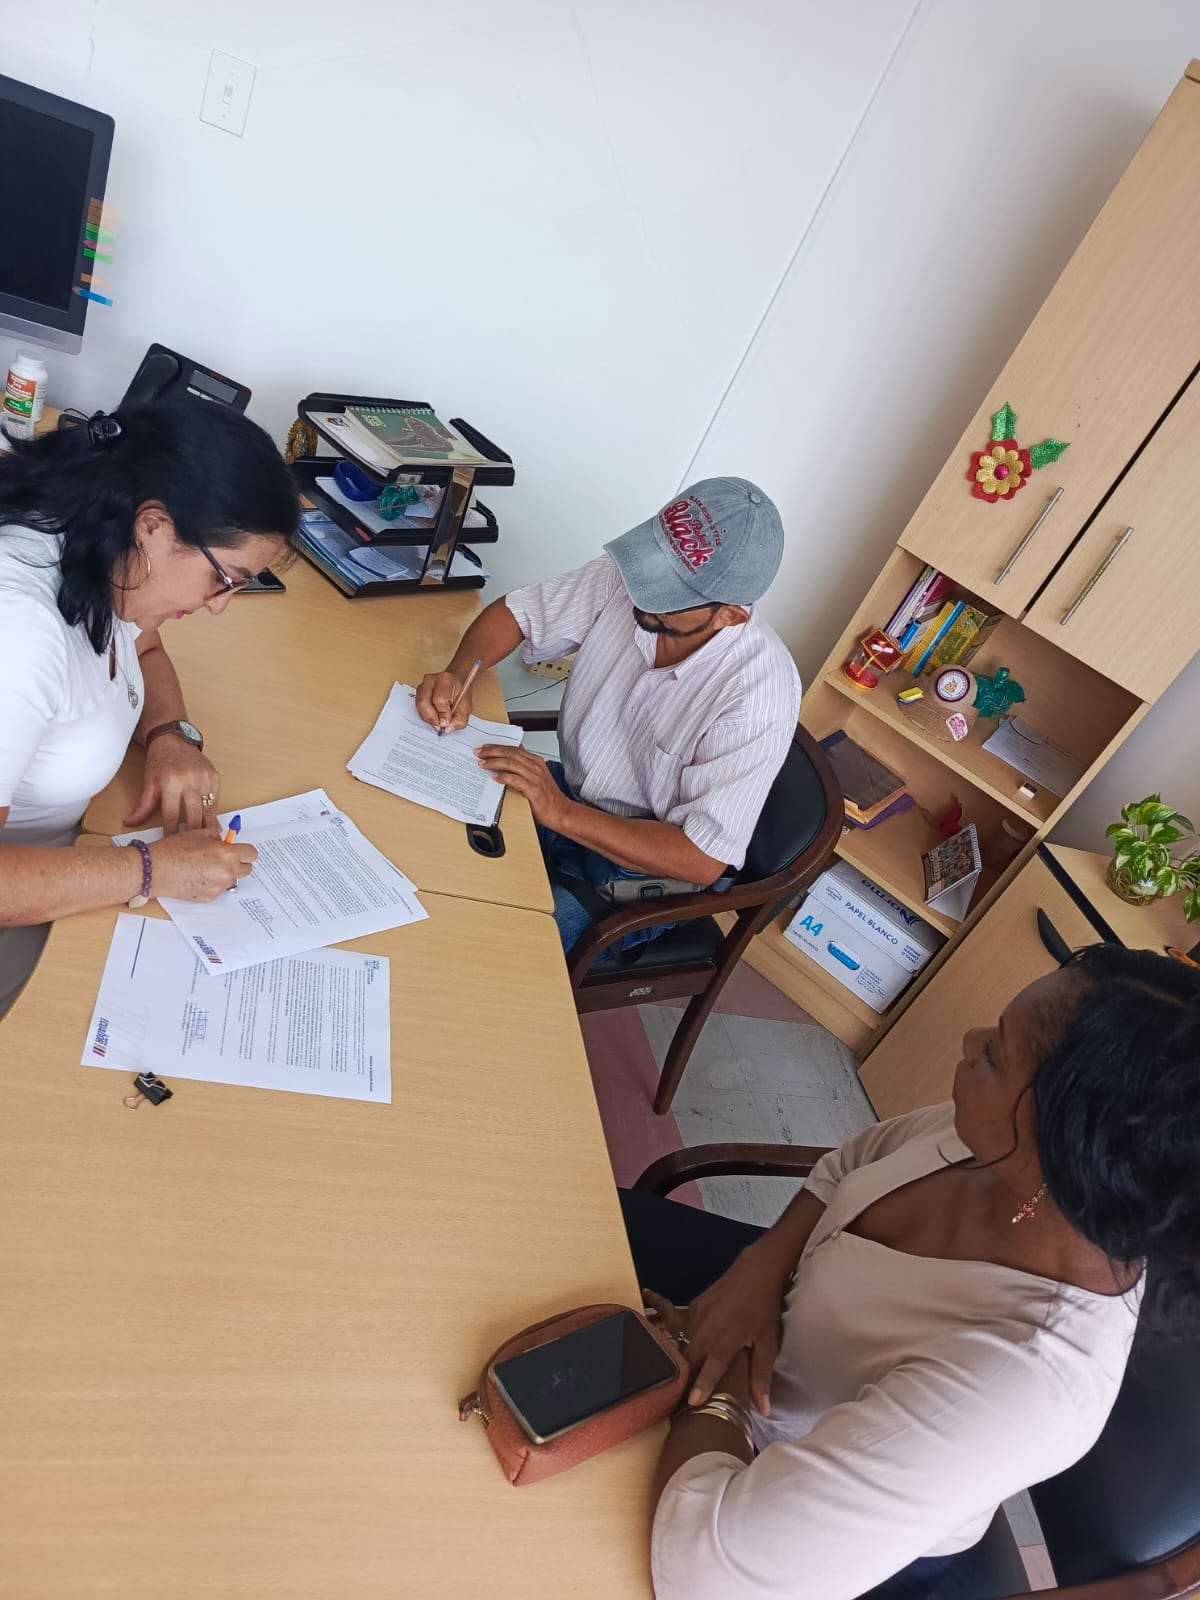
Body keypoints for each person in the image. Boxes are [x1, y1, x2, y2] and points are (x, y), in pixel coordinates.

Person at [622, 946, 1200, 1599]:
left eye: (994, 1054)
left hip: (773, 1471)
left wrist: (721, 1377)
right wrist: (760, 1266)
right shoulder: (997, 1145)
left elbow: (706, 1573)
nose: (970, 1042)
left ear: (1064, 1152)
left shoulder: (1021, 1382)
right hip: (774, 1307)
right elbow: (852, 1161)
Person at [0, 400, 299, 1017]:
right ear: (155, 526)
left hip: (60, 860)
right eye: (224, 578)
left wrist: (169, 735)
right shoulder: (19, 632)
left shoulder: (95, 540)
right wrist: (149, 871)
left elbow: (144, 644)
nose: (219, 605)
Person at [415, 478, 802, 953]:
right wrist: (461, 673)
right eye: (652, 570)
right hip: (568, 796)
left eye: (670, 595)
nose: (645, 594)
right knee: (424, 835)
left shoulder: (757, 698)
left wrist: (561, 812)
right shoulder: (627, 582)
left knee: (494, 952)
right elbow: (519, 615)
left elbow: (701, 861)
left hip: (636, 872)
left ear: (731, 616)